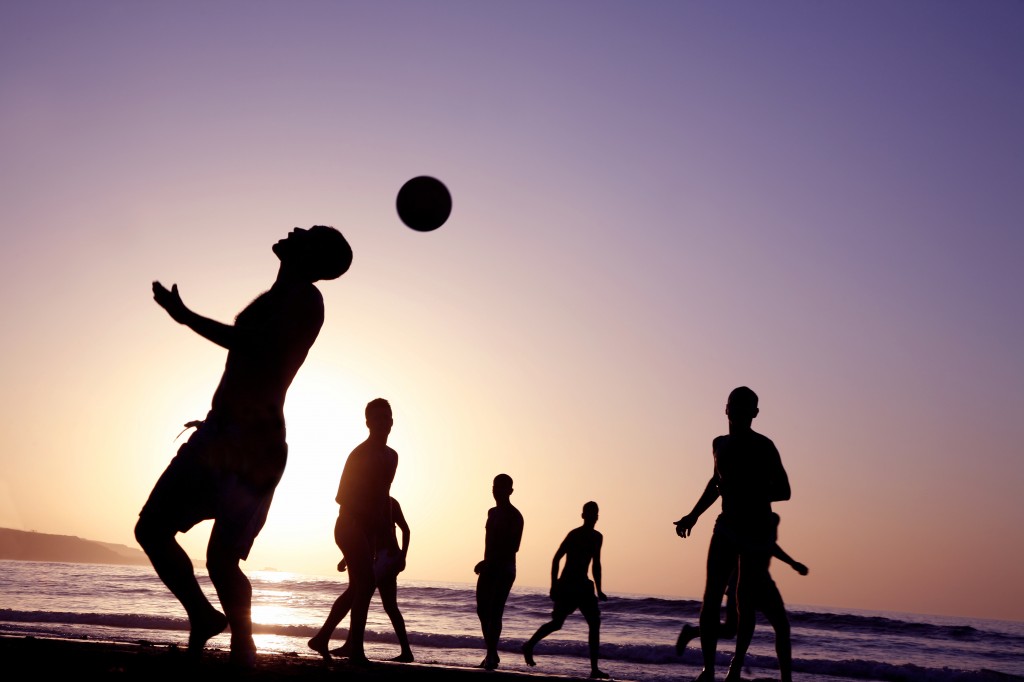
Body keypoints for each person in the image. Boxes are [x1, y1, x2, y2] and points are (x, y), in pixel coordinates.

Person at [134, 226, 352, 668]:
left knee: (220, 559)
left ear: (311, 254)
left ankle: (243, 649)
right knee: (154, 531)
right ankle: (205, 617)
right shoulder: (280, 293)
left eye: (306, 232)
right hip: (225, 433)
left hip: (250, 443)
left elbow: (255, 346)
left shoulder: (306, 298)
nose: (295, 229)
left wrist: (186, 317)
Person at [675, 386, 791, 682]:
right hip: (725, 527)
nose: (739, 412)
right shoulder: (718, 444)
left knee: (744, 601)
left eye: (746, 408)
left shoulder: (764, 446)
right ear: (726, 409)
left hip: (754, 531)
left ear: (755, 413)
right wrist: (693, 515)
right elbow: (716, 483)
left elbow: (784, 490)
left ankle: (735, 669)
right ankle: (708, 670)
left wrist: (749, 490)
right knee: (710, 597)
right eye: (734, 406)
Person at [308, 398, 398, 665]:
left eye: (388, 417)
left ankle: (322, 638)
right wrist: (361, 531)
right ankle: (355, 648)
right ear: (368, 422)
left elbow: (385, 497)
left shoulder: (392, 456)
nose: (384, 422)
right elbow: (343, 498)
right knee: (367, 583)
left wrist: (389, 538)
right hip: (349, 524)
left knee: (356, 586)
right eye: (378, 418)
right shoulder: (359, 455)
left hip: (368, 529)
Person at [676, 514, 808, 682]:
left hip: (764, 580)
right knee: (733, 629)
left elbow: (770, 545)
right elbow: (742, 547)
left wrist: (792, 563)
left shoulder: (773, 518)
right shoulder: (745, 517)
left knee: (781, 627)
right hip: (741, 581)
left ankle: (784, 679)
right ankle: (724, 662)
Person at [524, 501, 609, 680]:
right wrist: (554, 585)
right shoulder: (574, 534)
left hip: (585, 586)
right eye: (590, 513)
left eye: (596, 513)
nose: (594, 516)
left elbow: (596, 564)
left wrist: (600, 589)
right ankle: (529, 645)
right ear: (583, 515)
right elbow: (556, 559)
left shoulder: (597, 537)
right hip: (568, 585)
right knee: (557, 623)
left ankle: (594, 669)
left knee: (595, 624)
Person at [327, 496, 414, 662]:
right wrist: (345, 559)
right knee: (386, 605)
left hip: (387, 557)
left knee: (364, 597)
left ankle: (404, 651)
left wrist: (402, 556)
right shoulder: (369, 502)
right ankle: (352, 645)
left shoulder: (390, 503)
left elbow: (406, 530)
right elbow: (364, 537)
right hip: (376, 557)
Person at [473, 473, 524, 670]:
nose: (496, 491)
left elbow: (514, 546)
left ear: (510, 491)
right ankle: (492, 652)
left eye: (501, 487)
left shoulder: (514, 515)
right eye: (494, 486)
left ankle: (491, 656)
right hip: (489, 566)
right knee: (482, 610)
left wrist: (491, 562)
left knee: (495, 611)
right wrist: (486, 562)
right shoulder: (492, 512)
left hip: (504, 568)